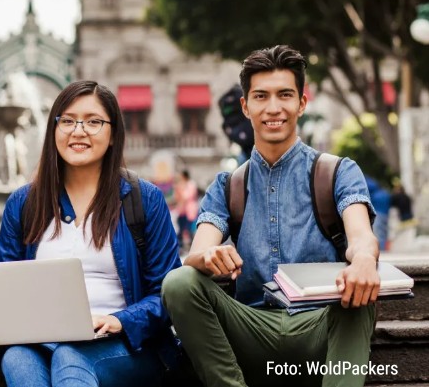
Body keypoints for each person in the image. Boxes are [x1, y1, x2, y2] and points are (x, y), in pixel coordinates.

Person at [161, 45, 380, 387]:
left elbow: (360, 235)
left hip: (320, 327)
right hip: (251, 328)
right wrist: (210, 255)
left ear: (302, 103)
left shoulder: (338, 171)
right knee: (179, 282)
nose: (273, 108)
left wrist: (365, 258)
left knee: (359, 294)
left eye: (285, 95)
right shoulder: (227, 185)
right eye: (261, 96)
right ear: (246, 106)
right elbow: (197, 253)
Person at [0, 80, 181, 387]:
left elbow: (168, 293)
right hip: (41, 342)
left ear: (112, 135)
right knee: (17, 358)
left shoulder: (143, 199)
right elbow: (3, 288)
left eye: (93, 122)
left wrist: (121, 320)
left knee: (70, 356)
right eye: (67, 120)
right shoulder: (24, 203)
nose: (78, 131)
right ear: (53, 129)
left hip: (127, 344)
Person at [173, 169, 199, 249]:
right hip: (182, 211)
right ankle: (179, 246)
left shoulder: (191, 184)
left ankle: (192, 246)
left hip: (190, 210)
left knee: (189, 228)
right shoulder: (181, 185)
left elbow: (187, 196)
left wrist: (180, 190)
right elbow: (177, 198)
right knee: (181, 228)